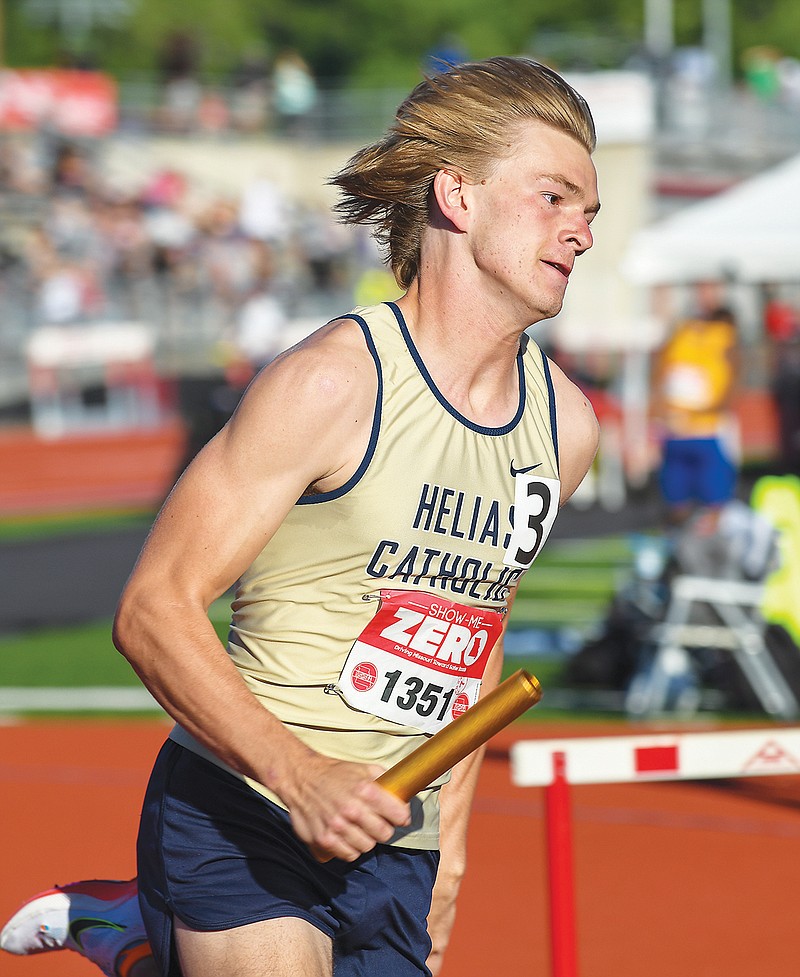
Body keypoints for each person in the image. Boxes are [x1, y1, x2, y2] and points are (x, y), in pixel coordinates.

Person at [1, 56, 601, 977]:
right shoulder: (333, 381)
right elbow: (153, 606)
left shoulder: (565, 430)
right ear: (459, 197)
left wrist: (456, 849)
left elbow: (474, 639)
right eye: (555, 197)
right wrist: (299, 776)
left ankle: (132, 941)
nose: (581, 234)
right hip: (246, 810)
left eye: (590, 212)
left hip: (399, 835)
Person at [651, 281, 741, 532]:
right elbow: (661, 369)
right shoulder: (682, 330)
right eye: (700, 289)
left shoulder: (726, 331)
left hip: (709, 430)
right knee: (676, 501)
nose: (705, 295)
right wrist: (657, 408)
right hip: (676, 430)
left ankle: (715, 556)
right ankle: (679, 556)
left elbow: (735, 374)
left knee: (715, 503)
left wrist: (718, 407)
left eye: (710, 289)